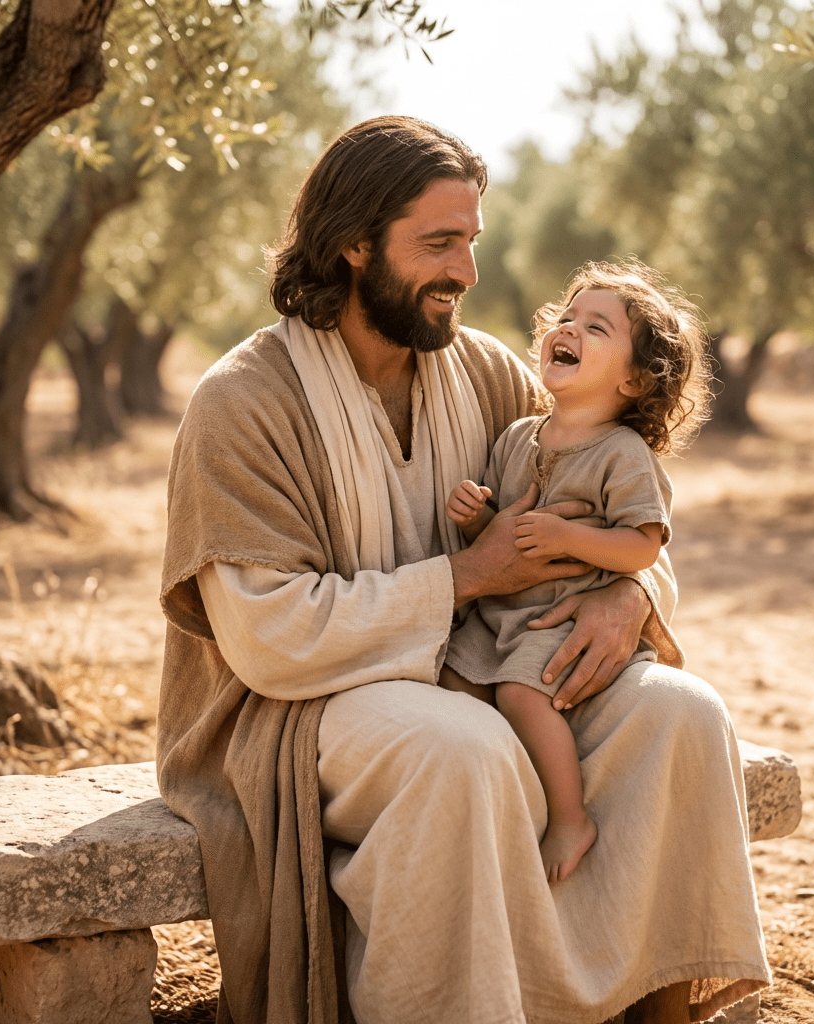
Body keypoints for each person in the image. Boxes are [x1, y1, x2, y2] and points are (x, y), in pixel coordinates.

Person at [156, 115, 771, 1024]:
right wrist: (469, 577)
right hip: (303, 706)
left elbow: (620, 521)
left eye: (472, 242)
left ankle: (650, 1009)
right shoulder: (243, 403)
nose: (467, 273)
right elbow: (268, 635)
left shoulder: (487, 374)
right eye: (439, 243)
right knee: (463, 749)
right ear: (354, 244)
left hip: (492, 664)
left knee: (682, 714)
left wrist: (626, 591)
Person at [440, 259, 713, 884]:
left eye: (597, 328)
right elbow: (506, 536)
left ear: (640, 379)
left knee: (520, 694)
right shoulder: (517, 438)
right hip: (502, 615)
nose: (570, 329)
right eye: (566, 318)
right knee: (452, 685)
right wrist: (476, 519)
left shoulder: (623, 454)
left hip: (558, 621)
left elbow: (643, 547)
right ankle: (505, 818)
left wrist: (569, 535)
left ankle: (569, 817)